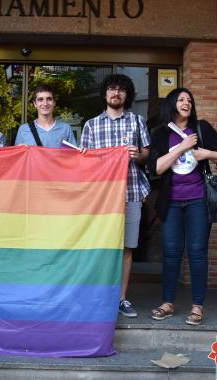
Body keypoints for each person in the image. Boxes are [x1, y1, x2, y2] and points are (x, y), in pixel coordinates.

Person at [148, 88, 217, 326]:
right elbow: (155, 168)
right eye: (181, 99)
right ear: (172, 104)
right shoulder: (161, 134)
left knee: (197, 253)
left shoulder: (201, 128)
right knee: (171, 254)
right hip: (171, 201)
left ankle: (197, 306)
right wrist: (183, 147)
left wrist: (207, 153)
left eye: (190, 100)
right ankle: (167, 302)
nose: (187, 103)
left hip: (198, 199)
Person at [80, 74, 150, 318]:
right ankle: (99, 297)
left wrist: (137, 155)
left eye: (121, 90)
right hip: (102, 196)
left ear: (127, 94)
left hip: (131, 191)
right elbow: (84, 162)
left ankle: (121, 298)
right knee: (101, 246)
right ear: (105, 93)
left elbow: (146, 154)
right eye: (111, 89)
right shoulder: (91, 125)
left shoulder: (137, 121)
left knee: (126, 247)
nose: (116, 93)